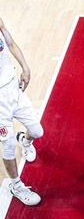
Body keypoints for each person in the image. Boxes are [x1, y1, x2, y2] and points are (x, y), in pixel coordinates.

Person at [0, 16, 43, 206]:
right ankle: (16, 185)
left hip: (13, 88)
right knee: (8, 145)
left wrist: (25, 66)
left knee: (37, 131)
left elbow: (10, 42)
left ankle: (25, 141)